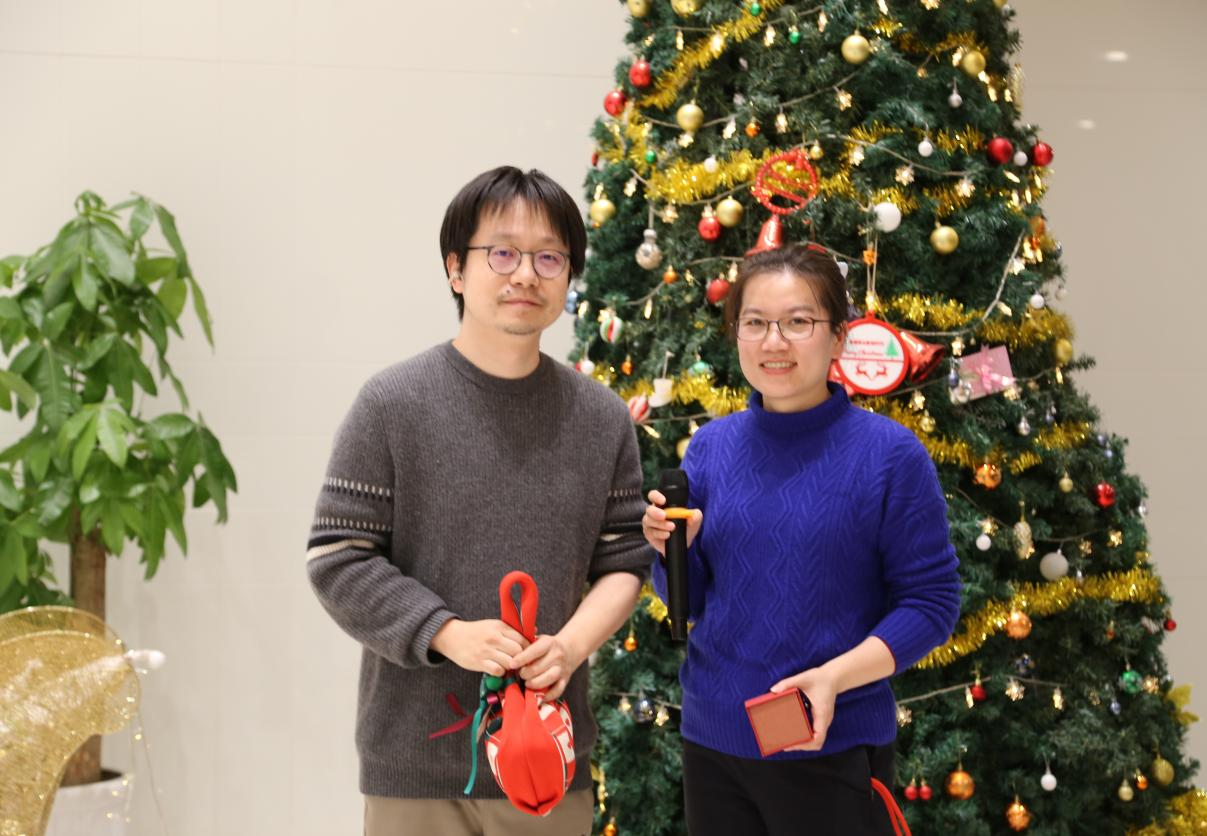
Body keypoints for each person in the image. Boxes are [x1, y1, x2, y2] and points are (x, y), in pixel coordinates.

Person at [307, 166, 654, 836]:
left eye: (549, 258)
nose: (525, 274)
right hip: (413, 762)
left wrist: (571, 646)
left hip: (548, 760)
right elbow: (337, 559)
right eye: (502, 253)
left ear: (569, 278)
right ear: (456, 270)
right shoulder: (391, 404)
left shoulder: (601, 417)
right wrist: (448, 633)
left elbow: (625, 561)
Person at [642, 244, 962, 835]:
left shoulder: (890, 456)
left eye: (798, 322)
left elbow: (932, 604)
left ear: (838, 337)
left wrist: (834, 678)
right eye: (755, 323)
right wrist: (671, 551)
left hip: (833, 749)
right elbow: (691, 601)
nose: (774, 342)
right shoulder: (710, 448)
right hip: (713, 744)